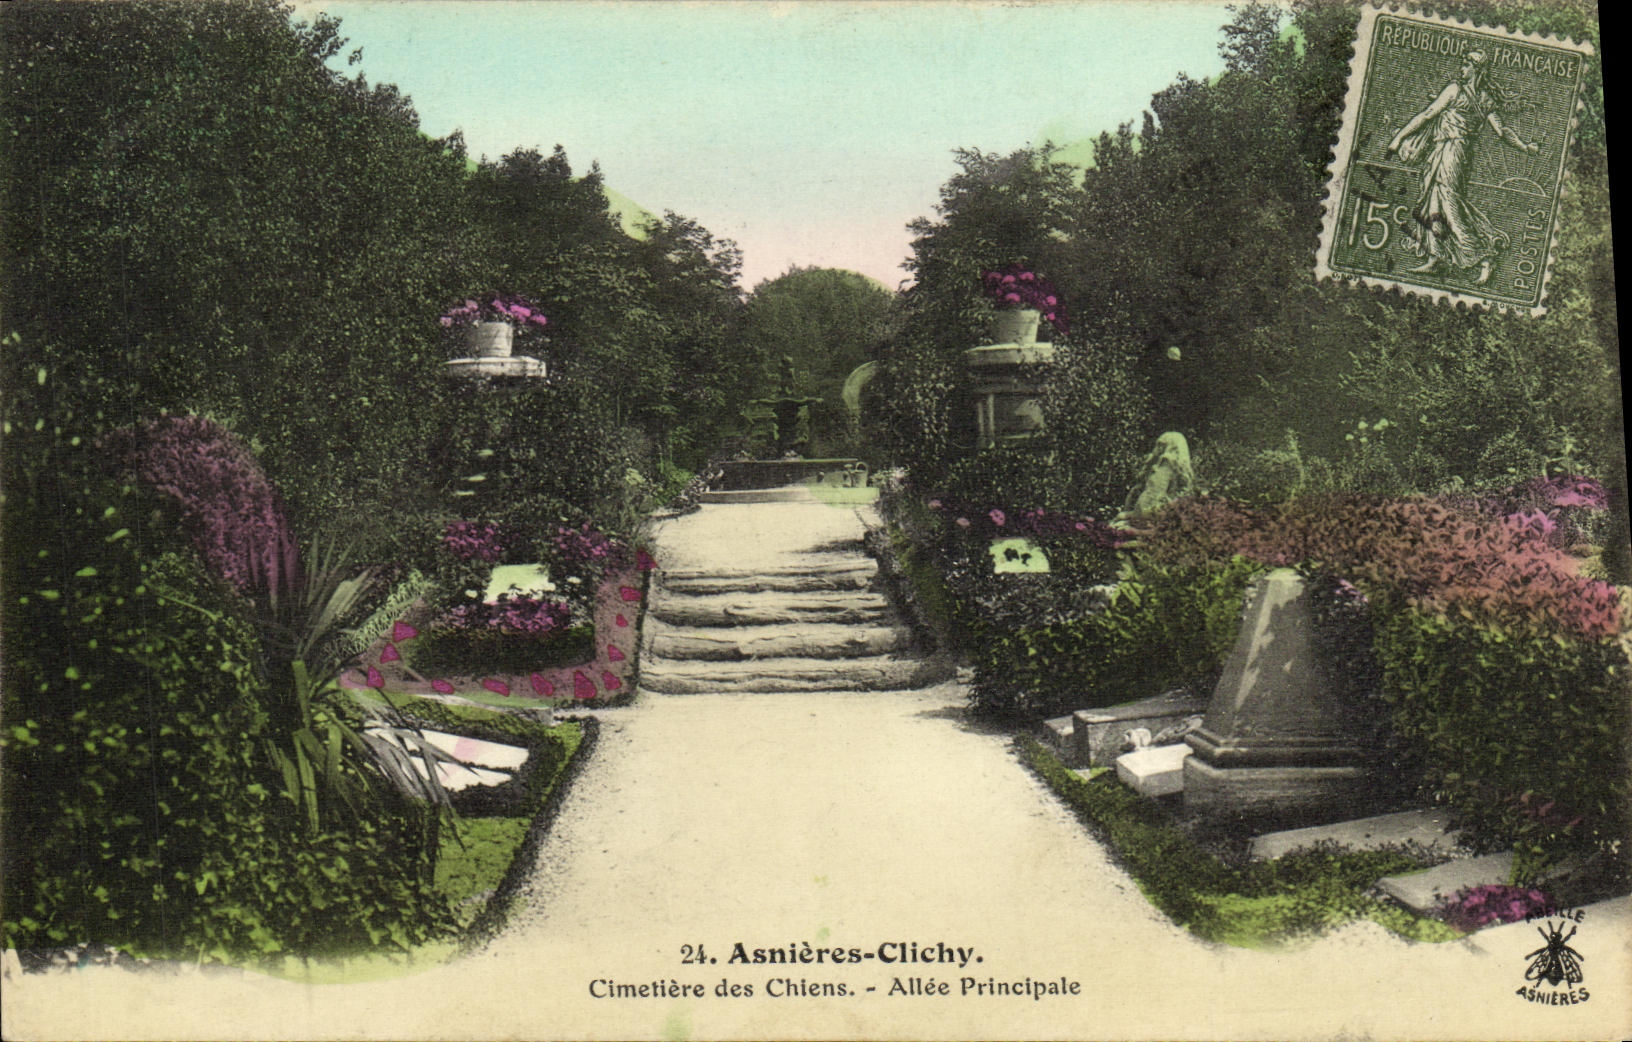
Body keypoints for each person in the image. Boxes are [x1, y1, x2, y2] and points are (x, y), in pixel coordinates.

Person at [1386, 50, 1540, 285]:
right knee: (1434, 202)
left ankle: (1485, 256)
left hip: (1452, 153)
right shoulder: (1483, 98)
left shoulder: (1456, 91)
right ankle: (1437, 257)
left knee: (1449, 204)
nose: (1462, 69)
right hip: (1449, 152)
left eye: (1466, 65)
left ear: (1477, 70)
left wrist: (1398, 138)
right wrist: (1525, 146)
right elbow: (1502, 131)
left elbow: (1427, 115)